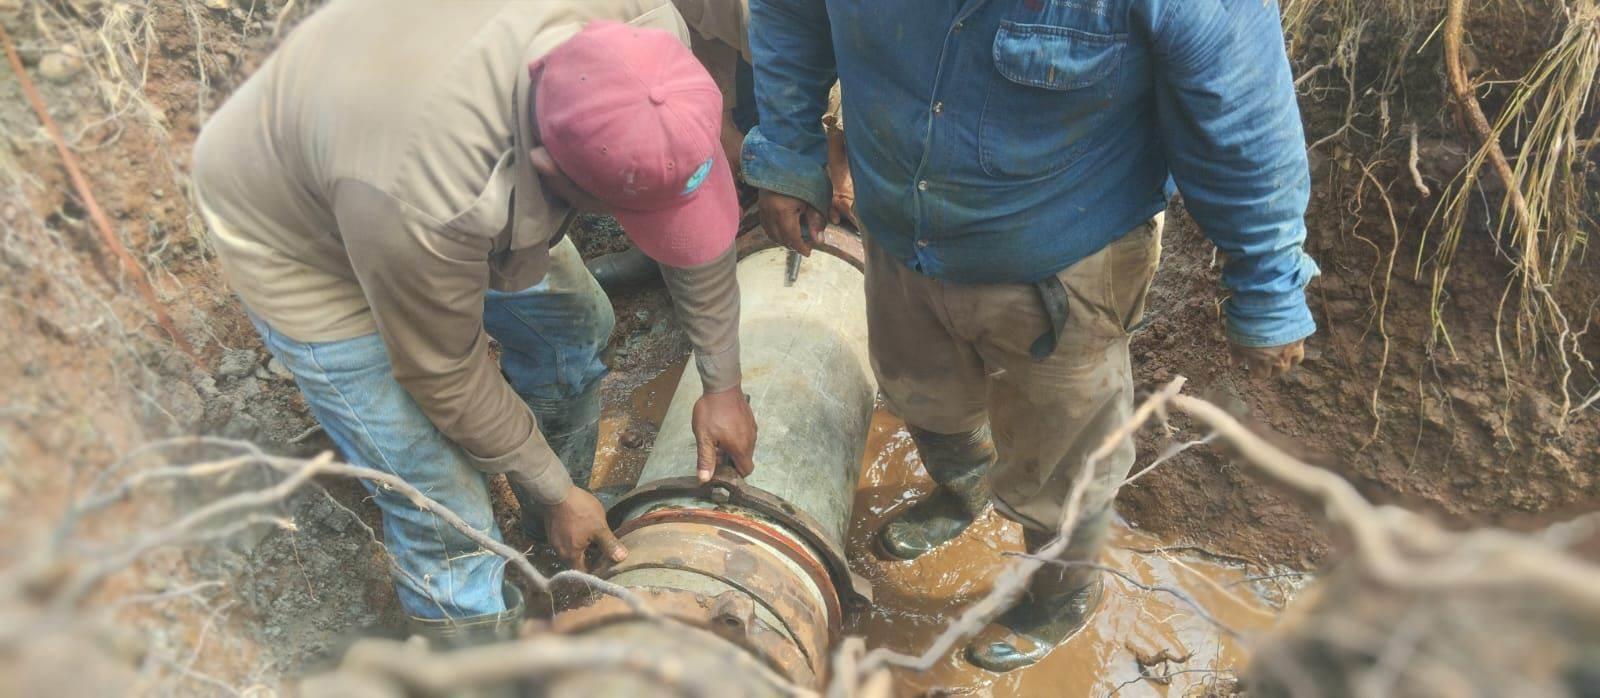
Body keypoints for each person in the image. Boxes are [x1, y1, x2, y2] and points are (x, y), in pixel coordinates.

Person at [743, 0, 1318, 672]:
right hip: (898, 235)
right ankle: (966, 489)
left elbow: (1242, 119)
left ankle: (1061, 597)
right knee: (919, 393)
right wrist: (788, 153)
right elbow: (789, 15)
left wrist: (1269, 286)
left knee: (1064, 459)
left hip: (1065, 268)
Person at [191, 2, 757, 646]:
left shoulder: (646, 43)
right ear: (552, 172)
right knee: (448, 514)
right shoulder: (433, 196)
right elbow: (445, 374)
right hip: (298, 234)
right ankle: (477, 655)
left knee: (572, 327)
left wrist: (722, 379)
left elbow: (686, 194)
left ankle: (551, 534)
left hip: (409, 144)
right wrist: (556, 490)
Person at [587, 0, 859, 287]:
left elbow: (879, 68)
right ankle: (676, 244)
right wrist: (722, 121)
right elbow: (686, 32)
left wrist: (839, 148)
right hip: (756, 54)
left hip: (845, 69)